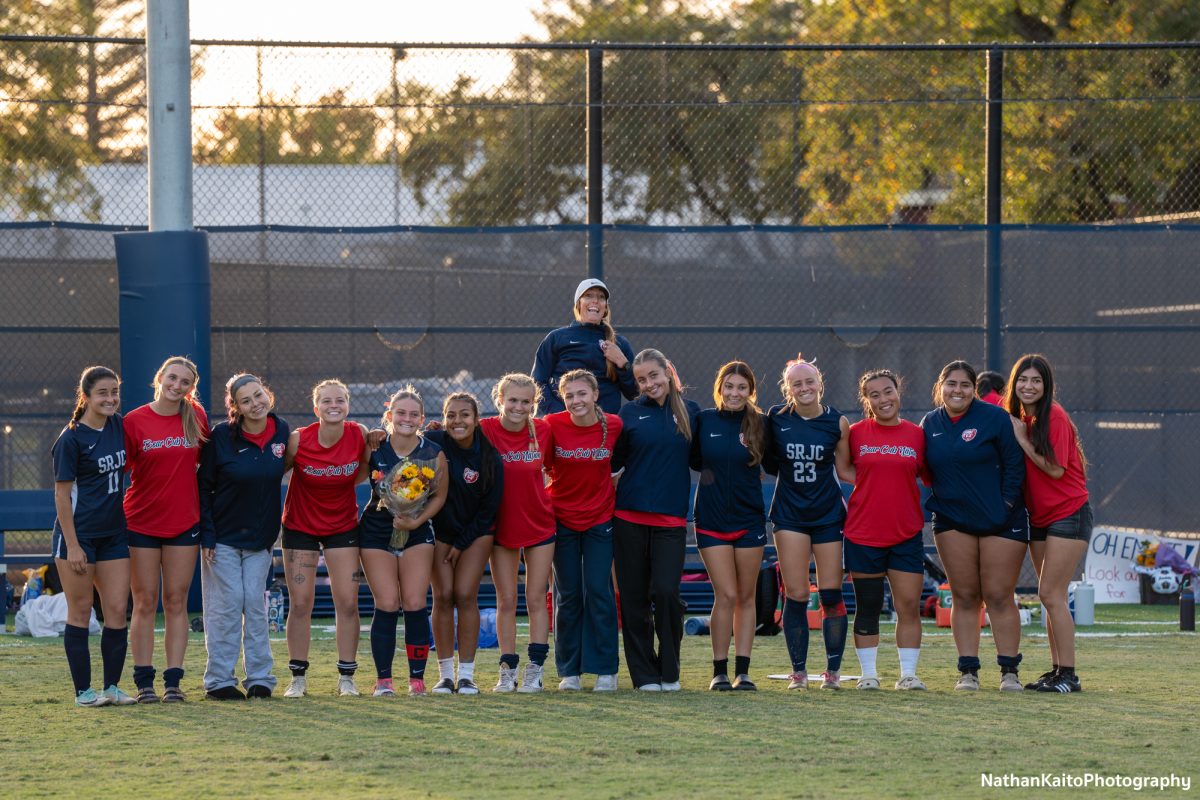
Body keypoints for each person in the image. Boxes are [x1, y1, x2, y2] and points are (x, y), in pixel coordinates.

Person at [922, 360, 1027, 692]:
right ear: (940, 387)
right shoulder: (929, 423)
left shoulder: (995, 418)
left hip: (1001, 521)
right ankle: (968, 672)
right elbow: (924, 470)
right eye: (951, 384)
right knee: (964, 595)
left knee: (998, 594)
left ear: (974, 388)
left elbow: (1015, 465)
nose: (958, 391)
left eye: (965, 385)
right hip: (952, 521)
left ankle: (1009, 672)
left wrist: (1006, 505)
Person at [198, 373, 290, 700]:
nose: (255, 404)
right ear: (235, 406)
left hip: (261, 540)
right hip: (221, 539)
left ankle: (261, 679)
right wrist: (207, 536)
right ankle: (219, 681)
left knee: (255, 604)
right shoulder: (221, 437)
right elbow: (203, 488)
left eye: (258, 395)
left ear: (268, 394)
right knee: (226, 605)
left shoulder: (282, 431)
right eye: (246, 400)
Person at [612, 349, 699, 692]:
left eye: (654, 376)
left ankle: (669, 669)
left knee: (665, 593)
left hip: (671, 523)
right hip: (628, 518)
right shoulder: (629, 413)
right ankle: (644, 675)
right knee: (633, 599)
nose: (649, 384)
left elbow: (705, 459)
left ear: (668, 372)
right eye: (642, 379)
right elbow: (613, 465)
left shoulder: (691, 413)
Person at [123, 355, 209, 703]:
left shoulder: (196, 417)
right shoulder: (134, 421)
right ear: (159, 377)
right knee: (144, 602)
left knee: (176, 601)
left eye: (184, 382)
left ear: (191, 387)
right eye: (171, 378)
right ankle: (144, 683)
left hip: (183, 523)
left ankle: (173, 682)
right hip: (140, 522)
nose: (176, 385)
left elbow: (206, 466)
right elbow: (120, 470)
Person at [835, 369, 928, 691]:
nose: (883, 399)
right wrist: (868, 484)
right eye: (874, 395)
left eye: (888, 391)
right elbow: (844, 468)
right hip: (864, 534)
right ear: (866, 400)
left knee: (907, 606)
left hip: (905, 533)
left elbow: (926, 473)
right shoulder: (856, 433)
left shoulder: (917, 434)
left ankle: (908, 675)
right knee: (868, 607)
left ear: (898, 392)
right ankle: (869, 675)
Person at [762, 355, 850, 691]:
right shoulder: (776, 419)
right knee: (797, 594)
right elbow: (768, 461)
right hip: (789, 515)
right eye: (796, 383)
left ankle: (832, 673)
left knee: (830, 594)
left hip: (828, 515)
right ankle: (798, 672)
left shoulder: (836, 422)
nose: (804, 388)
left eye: (809, 381)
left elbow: (845, 471)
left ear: (820, 383)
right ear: (788, 389)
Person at [1006, 353, 1092, 694]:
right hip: (1040, 517)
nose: (1028, 386)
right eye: (1022, 380)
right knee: (1050, 597)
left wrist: (1024, 441)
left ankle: (1069, 675)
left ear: (1046, 385)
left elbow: (1056, 470)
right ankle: (1058, 671)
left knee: (1051, 593)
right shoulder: (1020, 417)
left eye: (1036, 381)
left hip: (1068, 513)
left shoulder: (1052, 416)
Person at [280, 379, 371, 698]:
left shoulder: (359, 434)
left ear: (348, 404)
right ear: (315, 407)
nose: (334, 405)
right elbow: (277, 471)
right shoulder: (297, 440)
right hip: (299, 527)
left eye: (340, 400)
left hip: (342, 527)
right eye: (327, 401)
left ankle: (347, 677)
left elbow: (363, 472)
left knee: (347, 602)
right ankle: (298, 678)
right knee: (301, 603)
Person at [51, 366, 135, 706]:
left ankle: (112, 687)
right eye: (103, 393)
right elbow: (61, 496)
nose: (110, 398)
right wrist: (72, 545)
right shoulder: (70, 439)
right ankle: (84, 692)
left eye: (114, 392)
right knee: (81, 612)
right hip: (78, 538)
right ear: (85, 396)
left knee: (116, 610)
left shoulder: (119, 425)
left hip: (114, 534)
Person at [359, 386, 448, 697]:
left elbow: (439, 496)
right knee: (386, 602)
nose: (407, 419)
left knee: (414, 602)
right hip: (375, 531)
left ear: (422, 419)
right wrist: (367, 437)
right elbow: (355, 476)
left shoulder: (432, 453)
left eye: (413, 414)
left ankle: (417, 680)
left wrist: (416, 520)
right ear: (389, 416)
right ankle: (384, 681)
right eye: (401, 413)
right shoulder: (374, 447)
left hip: (417, 531)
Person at [544, 369, 624, 691]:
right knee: (568, 594)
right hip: (561, 519)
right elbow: (538, 459)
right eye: (570, 396)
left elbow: (628, 460)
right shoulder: (552, 425)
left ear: (594, 395)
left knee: (599, 591)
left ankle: (606, 669)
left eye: (582, 394)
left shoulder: (614, 426)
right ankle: (570, 671)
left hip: (600, 519)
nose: (576, 400)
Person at [690, 361, 768, 691]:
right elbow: (693, 460)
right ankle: (719, 671)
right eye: (729, 386)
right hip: (710, 521)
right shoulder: (703, 421)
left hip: (749, 520)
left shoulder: (761, 425)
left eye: (741, 387)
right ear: (719, 388)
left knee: (746, 597)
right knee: (726, 594)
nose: (734, 393)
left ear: (750, 391)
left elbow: (775, 462)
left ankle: (743, 671)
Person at [479, 374, 556, 692]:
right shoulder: (485, 430)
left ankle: (535, 670)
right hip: (501, 527)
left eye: (526, 402)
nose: (518, 407)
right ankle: (507, 670)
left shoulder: (544, 430)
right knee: (506, 599)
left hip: (539, 523)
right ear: (500, 400)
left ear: (533, 404)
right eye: (512, 400)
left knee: (537, 598)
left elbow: (554, 470)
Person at [424, 392, 503, 695]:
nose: (458, 421)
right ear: (443, 419)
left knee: (465, 594)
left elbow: (489, 509)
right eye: (451, 415)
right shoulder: (433, 442)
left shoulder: (488, 455)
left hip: (477, 533)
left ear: (476, 419)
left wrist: (463, 543)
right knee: (443, 595)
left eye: (464, 415)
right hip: (441, 532)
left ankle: (467, 675)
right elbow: (401, 439)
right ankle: (445, 675)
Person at [532, 278, 637, 415]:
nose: (595, 300)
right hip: (564, 423)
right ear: (578, 304)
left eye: (601, 297)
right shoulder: (556, 338)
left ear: (605, 307)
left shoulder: (620, 344)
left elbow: (635, 393)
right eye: (588, 295)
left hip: (605, 424)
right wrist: (559, 413)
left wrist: (623, 364)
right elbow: (537, 381)